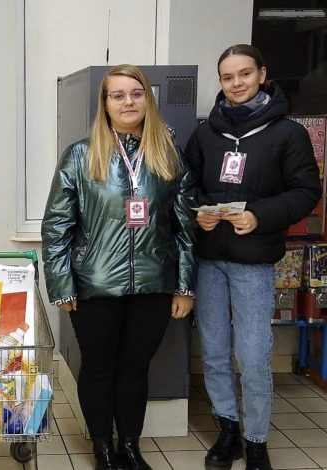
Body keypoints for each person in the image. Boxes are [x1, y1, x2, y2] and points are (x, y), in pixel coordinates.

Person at [42, 64, 197, 470]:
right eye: (118, 95)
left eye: (136, 93)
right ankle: (102, 448)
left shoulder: (167, 155)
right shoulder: (80, 155)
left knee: (135, 368)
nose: (128, 101)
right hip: (94, 286)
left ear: (148, 100)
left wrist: (184, 287)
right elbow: (57, 226)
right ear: (105, 103)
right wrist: (61, 284)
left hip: (153, 285)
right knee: (98, 368)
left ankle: (130, 445)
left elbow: (185, 227)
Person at [185, 44, 321, 470]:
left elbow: (306, 192)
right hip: (209, 259)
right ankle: (227, 429)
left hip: (254, 262)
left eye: (244, 74)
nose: (236, 83)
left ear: (262, 74)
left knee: (254, 356)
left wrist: (259, 216)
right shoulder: (206, 133)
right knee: (213, 351)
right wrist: (198, 212)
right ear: (220, 82)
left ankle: (256, 440)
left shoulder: (288, 134)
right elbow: (187, 185)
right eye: (228, 77)